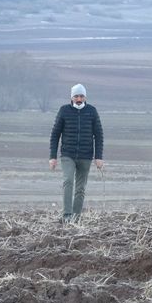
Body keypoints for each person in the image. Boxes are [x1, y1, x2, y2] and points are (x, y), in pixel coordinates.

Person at [49, 83, 104, 223]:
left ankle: (76, 217)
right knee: (68, 181)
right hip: (68, 154)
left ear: (85, 97)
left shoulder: (92, 111)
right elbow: (55, 134)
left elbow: (99, 135)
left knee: (80, 188)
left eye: (81, 96)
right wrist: (52, 157)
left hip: (86, 156)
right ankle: (67, 215)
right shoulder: (64, 110)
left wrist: (98, 157)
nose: (79, 99)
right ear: (71, 97)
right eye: (76, 96)